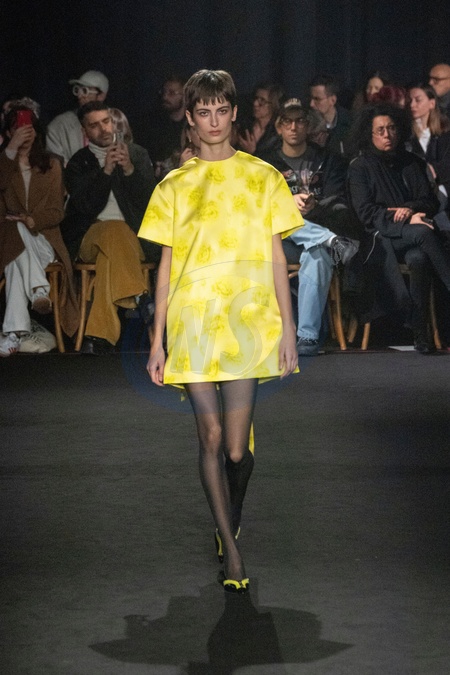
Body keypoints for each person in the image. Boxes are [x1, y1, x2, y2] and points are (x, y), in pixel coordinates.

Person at [138, 69, 302, 593]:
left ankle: (231, 515)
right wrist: (157, 340)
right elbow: (164, 267)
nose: (213, 121)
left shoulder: (263, 177)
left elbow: (277, 257)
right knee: (209, 438)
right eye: (203, 112)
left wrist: (290, 329)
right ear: (189, 118)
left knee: (236, 451)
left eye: (221, 110)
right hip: (192, 324)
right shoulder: (173, 186)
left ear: (234, 113)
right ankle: (231, 549)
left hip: (247, 324)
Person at [347, 103, 450, 353]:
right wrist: (402, 218)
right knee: (424, 233)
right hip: (380, 239)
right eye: (380, 130)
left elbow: (431, 202)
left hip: (413, 238)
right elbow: (366, 213)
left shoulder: (412, 162)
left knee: (418, 258)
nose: (387, 135)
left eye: (392, 128)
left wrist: (409, 209)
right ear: (370, 134)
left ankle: (421, 335)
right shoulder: (360, 167)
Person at [260, 99, 359, 356]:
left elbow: (338, 201)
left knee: (318, 255)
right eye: (287, 121)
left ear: (308, 125)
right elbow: (255, 205)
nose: (293, 127)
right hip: (275, 243)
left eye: (299, 121)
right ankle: (330, 240)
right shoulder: (264, 163)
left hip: (313, 235)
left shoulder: (327, 159)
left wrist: (314, 205)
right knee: (276, 215)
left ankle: (307, 337)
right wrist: (287, 203)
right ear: (278, 127)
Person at [61, 101, 157, 355]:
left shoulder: (137, 154)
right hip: (90, 235)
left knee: (111, 255)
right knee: (113, 230)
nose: (103, 129)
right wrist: (105, 172)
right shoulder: (79, 163)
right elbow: (84, 207)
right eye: (94, 125)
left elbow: (151, 203)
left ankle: (99, 335)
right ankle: (138, 294)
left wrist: (129, 169)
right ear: (84, 131)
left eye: (106, 122)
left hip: (133, 238)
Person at [0, 105, 79, 356]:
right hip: (9, 241)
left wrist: (33, 220)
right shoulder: (5, 164)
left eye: (29, 127)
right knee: (14, 244)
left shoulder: (51, 164)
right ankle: (38, 291)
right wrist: (11, 150)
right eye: (18, 128)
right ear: (9, 132)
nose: (25, 132)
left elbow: (57, 211)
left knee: (15, 250)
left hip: (44, 241)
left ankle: (12, 335)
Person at [46, 70, 109, 165]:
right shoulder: (59, 125)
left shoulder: (116, 122)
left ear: (101, 96)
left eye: (85, 91)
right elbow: (55, 165)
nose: (80, 96)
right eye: (77, 90)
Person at [407, 83, 450, 203]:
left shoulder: (446, 133)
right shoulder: (405, 136)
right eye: (409, 100)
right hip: (420, 196)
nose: (412, 105)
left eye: (418, 100)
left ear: (432, 103)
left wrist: (435, 169)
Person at [143, 75, 187, 178]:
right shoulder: (153, 124)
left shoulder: (193, 124)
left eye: (171, 93)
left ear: (185, 96)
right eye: (164, 92)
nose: (165, 97)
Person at [309, 74, 352, 156]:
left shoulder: (351, 123)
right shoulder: (305, 123)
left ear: (333, 100)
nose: (311, 104)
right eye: (311, 98)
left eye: (317, 99)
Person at [237, 82, 284, 157]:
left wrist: (253, 153)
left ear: (273, 105)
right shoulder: (245, 125)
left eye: (262, 101)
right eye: (255, 98)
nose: (255, 104)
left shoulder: (278, 133)